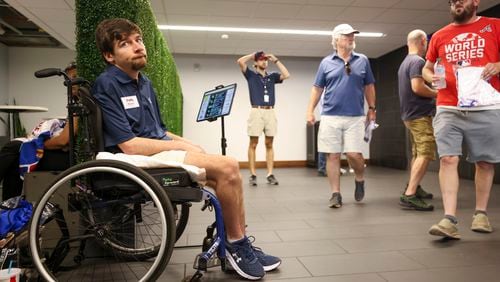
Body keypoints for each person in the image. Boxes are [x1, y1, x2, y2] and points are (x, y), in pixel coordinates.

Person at [92, 18, 280, 280]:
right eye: (125, 44)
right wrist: (180, 145)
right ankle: (236, 245)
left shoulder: (144, 83)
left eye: (139, 40)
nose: (137, 47)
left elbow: (158, 130)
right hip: (131, 159)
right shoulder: (107, 84)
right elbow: (130, 144)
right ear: (109, 56)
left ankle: (239, 240)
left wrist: (186, 142)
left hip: (152, 150)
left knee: (226, 168)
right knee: (227, 165)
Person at [423, 0, 500, 239]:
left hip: (485, 105)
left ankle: (481, 213)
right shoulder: (440, 35)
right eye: (452, 0)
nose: (457, 2)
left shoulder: (494, 26)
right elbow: (427, 67)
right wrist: (430, 77)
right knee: (447, 159)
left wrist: (498, 65)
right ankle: (449, 219)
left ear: (475, 2)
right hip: (448, 105)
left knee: (485, 162)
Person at [306, 23, 376, 208]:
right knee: (333, 156)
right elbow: (317, 88)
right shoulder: (326, 63)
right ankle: (335, 194)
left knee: (354, 154)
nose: (351, 38)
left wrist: (372, 109)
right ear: (336, 40)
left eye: (353, 35)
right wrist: (309, 110)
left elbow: (369, 86)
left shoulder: (362, 60)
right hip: (330, 115)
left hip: (355, 116)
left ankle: (359, 178)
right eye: (347, 36)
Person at [0, 62, 78, 200]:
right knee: (15, 157)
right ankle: (9, 209)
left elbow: (63, 141)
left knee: (14, 147)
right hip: (68, 155)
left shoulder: (80, 105)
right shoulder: (78, 103)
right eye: (68, 81)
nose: (71, 84)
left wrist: (37, 143)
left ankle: (10, 208)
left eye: (74, 78)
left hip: (71, 160)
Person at [397, 30, 437, 211]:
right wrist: (437, 94)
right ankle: (410, 195)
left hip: (410, 115)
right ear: (423, 41)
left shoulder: (405, 62)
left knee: (416, 153)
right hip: (419, 115)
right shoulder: (418, 61)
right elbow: (417, 87)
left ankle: (414, 186)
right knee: (425, 152)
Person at [237, 51, 290, 186]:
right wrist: (252, 55)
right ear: (255, 63)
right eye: (261, 60)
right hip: (256, 111)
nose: (264, 62)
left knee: (269, 143)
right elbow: (240, 62)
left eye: (265, 60)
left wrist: (276, 60)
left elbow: (286, 75)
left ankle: (270, 174)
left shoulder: (272, 77)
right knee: (253, 143)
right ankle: (253, 174)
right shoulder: (251, 75)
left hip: (270, 111)